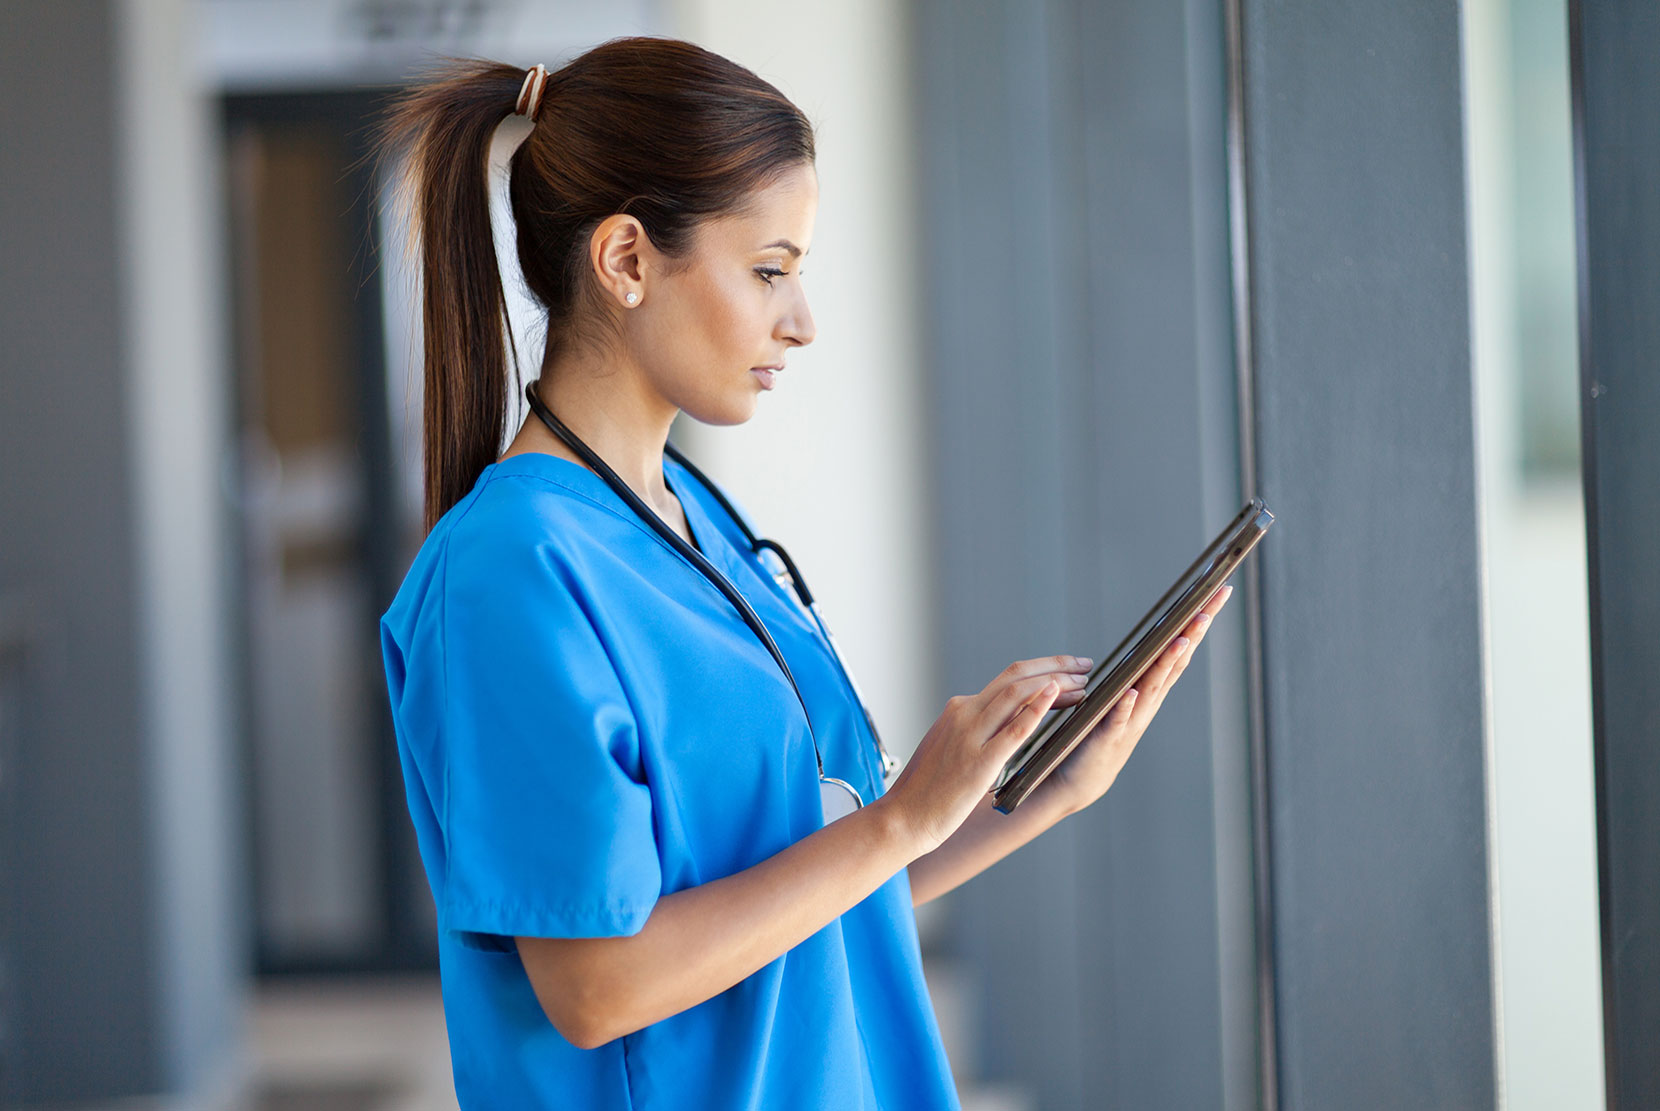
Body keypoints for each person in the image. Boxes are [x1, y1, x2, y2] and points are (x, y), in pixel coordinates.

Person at [374, 36, 1230, 1110]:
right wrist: (895, 820)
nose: (801, 320)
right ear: (627, 260)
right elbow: (596, 984)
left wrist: (1030, 798)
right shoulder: (508, 572)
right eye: (769, 270)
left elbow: (806, 910)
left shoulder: (700, 522)